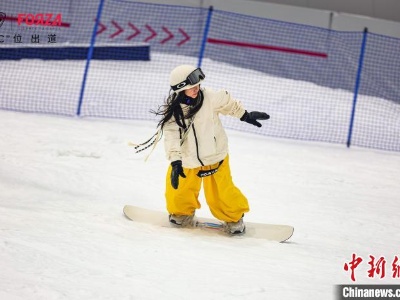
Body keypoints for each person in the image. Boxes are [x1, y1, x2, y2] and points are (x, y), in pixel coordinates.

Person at [153, 65, 270, 234]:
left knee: (222, 193)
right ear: (180, 89)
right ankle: (181, 214)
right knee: (179, 190)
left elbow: (229, 105)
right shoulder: (174, 111)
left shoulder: (210, 98)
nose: (196, 89)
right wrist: (176, 160)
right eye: (191, 87)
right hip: (187, 158)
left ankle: (233, 218)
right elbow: (172, 135)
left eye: (198, 85)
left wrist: (245, 115)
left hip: (215, 155)